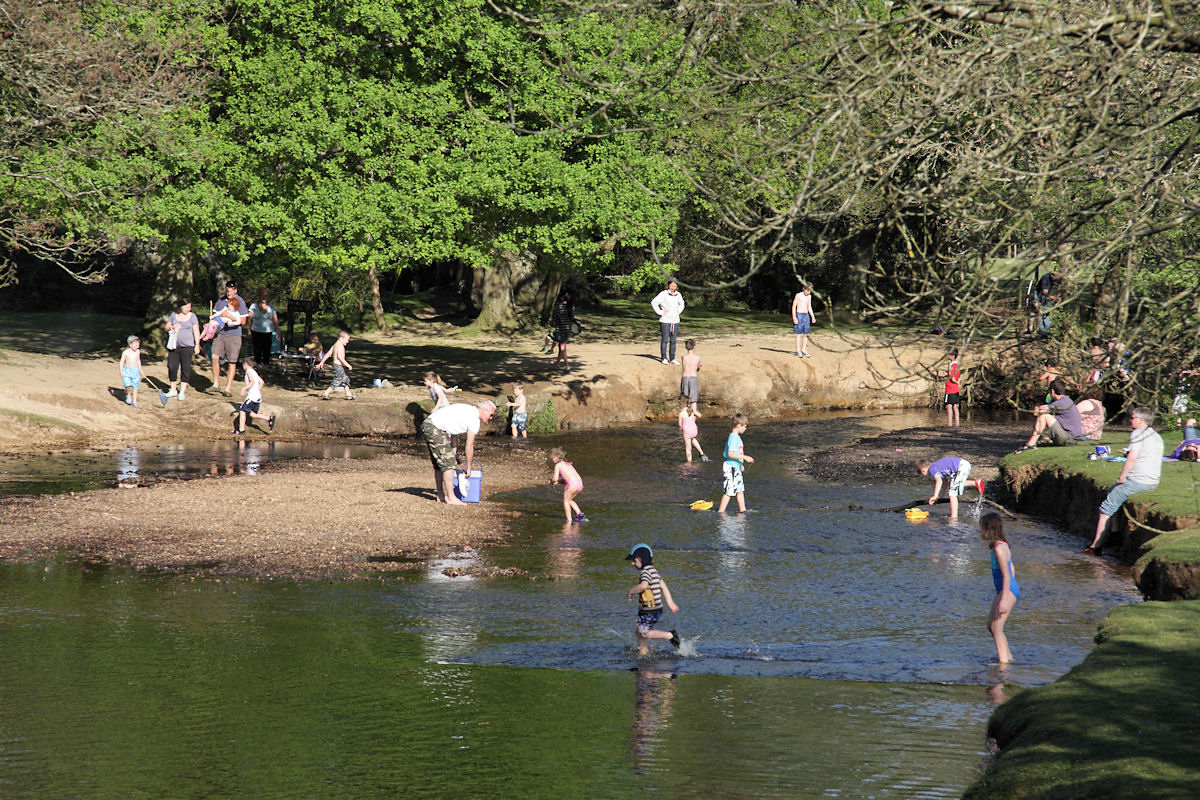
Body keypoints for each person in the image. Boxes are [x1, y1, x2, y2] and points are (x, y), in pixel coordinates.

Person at [1084, 407, 1163, 555]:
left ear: (1140, 420)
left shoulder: (1138, 434)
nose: (1130, 420)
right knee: (1111, 491)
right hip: (1153, 481)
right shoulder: (1155, 435)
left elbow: (1132, 456)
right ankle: (1115, 534)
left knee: (1105, 509)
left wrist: (1122, 477)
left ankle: (1095, 547)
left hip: (1138, 481)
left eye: (1132, 418)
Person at [421, 400, 496, 504]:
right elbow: (469, 445)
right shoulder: (474, 419)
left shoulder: (467, 409)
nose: (491, 418)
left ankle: (441, 495)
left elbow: (454, 433)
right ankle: (451, 497)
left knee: (439, 464)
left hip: (428, 425)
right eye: (491, 415)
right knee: (449, 464)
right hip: (435, 428)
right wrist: (468, 467)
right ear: (484, 410)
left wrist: (454, 453)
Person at [624, 543, 681, 656]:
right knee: (638, 630)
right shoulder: (653, 571)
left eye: (634, 561)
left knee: (645, 633)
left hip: (650, 610)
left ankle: (670, 635)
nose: (632, 563)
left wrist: (631, 591)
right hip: (652, 609)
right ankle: (643, 651)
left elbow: (644, 586)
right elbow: (663, 586)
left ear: (642, 559)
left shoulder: (645, 572)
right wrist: (670, 602)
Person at [981, 512, 1020, 664]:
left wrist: (1004, 599)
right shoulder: (999, 546)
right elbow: (1013, 569)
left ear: (988, 529)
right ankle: (1008, 658)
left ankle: (1003, 665)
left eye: (982, 528)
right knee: (991, 626)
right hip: (1005, 589)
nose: (980, 531)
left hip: (1007, 589)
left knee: (997, 628)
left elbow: (1007, 575)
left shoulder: (999, 549)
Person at [1017, 378, 1083, 450]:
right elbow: (1038, 413)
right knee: (1047, 416)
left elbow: (1040, 411)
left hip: (1070, 439)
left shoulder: (1062, 403)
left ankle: (1031, 444)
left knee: (1045, 416)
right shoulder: (1065, 400)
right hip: (1070, 438)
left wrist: (1037, 407)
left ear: (1052, 391)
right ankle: (1036, 440)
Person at [210, 281, 248, 397]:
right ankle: (216, 384)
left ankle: (228, 389)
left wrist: (229, 316)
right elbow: (216, 316)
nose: (229, 293)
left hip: (234, 335)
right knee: (214, 357)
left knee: (232, 361)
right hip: (220, 333)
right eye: (227, 291)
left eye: (231, 291)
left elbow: (243, 321)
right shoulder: (221, 301)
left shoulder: (240, 302)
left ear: (235, 290)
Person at [164, 299, 201, 401]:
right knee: (172, 366)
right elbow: (166, 327)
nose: (188, 309)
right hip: (174, 346)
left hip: (187, 346)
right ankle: (173, 389)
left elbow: (196, 330)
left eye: (189, 307)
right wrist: (172, 326)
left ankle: (182, 391)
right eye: (186, 307)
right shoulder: (173, 315)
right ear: (181, 307)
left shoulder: (192, 316)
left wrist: (197, 344)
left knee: (185, 368)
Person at [717, 413, 754, 513]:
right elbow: (730, 454)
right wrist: (745, 457)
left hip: (736, 466)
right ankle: (721, 512)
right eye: (744, 426)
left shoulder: (736, 437)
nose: (745, 428)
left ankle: (743, 510)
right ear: (738, 425)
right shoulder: (733, 438)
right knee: (729, 491)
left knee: (740, 490)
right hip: (731, 467)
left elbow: (737, 453)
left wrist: (740, 465)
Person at [916, 456, 973, 520]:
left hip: (961, 466)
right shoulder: (937, 467)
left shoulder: (932, 469)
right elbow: (944, 484)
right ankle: (976, 484)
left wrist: (935, 496)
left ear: (923, 471)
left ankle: (954, 517)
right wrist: (940, 498)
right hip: (964, 464)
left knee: (952, 492)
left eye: (924, 475)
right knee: (953, 484)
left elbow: (939, 481)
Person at [235, 356, 275, 435]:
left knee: (242, 411)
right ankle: (269, 418)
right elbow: (262, 382)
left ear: (245, 364)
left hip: (252, 397)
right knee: (251, 413)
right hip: (258, 397)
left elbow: (252, 381)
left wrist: (244, 388)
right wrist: (257, 390)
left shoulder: (248, 372)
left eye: (243, 365)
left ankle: (241, 430)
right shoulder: (254, 372)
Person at [651, 279, 685, 365]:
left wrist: (678, 311)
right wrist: (660, 312)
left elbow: (682, 304)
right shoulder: (663, 294)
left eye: (675, 286)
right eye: (672, 285)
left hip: (675, 320)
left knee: (673, 340)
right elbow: (654, 302)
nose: (673, 287)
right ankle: (664, 358)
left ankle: (672, 357)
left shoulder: (678, 295)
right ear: (668, 285)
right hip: (665, 320)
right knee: (665, 340)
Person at [550, 446, 585, 523]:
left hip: (572, 485)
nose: (551, 458)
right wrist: (558, 482)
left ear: (558, 456)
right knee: (570, 500)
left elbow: (555, 479)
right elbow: (565, 479)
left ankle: (569, 520)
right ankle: (579, 513)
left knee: (565, 502)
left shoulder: (558, 465)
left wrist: (552, 482)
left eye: (553, 456)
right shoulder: (568, 464)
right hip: (579, 483)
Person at [317, 330, 355, 400]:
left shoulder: (335, 345)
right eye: (347, 340)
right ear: (341, 338)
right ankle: (326, 393)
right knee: (338, 380)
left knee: (345, 379)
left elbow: (328, 354)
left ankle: (348, 394)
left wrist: (322, 362)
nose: (348, 341)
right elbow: (340, 357)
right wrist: (347, 364)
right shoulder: (340, 346)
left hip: (336, 365)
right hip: (338, 366)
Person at [248, 290, 280, 368]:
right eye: (262, 295)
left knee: (267, 348)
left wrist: (277, 330)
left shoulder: (271, 307)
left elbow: (275, 319)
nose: (264, 297)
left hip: (268, 331)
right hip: (256, 330)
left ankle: (266, 363)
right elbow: (249, 319)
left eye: (265, 295)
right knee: (257, 348)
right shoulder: (254, 306)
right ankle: (257, 363)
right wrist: (248, 331)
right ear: (259, 296)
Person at [548, 292, 576, 372]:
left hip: (560, 329)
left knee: (562, 347)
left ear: (562, 298)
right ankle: (557, 363)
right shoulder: (571, 307)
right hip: (568, 329)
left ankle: (567, 365)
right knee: (561, 345)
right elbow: (572, 318)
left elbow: (554, 319)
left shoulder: (558, 307)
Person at [678, 395, 709, 463]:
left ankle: (689, 463)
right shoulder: (692, 410)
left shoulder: (681, 413)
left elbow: (680, 425)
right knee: (693, 439)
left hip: (687, 431)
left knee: (688, 448)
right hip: (694, 430)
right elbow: (700, 415)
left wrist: (681, 428)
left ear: (681, 403)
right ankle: (701, 453)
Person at [119, 335, 143, 407]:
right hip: (127, 370)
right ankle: (128, 395)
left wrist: (140, 369)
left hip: (135, 370)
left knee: (135, 386)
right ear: (130, 344)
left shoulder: (138, 351)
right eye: (136, 345)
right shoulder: (125, 352)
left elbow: (138, 360)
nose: (137, 346)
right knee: (127, 384)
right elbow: (122, 362)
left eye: (138, 345)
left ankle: (135, 401)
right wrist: (121, 371)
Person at [679, 338, 702, 414]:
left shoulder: (683, 357)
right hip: (693, 378)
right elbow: (697, 369)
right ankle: (694, 411)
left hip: (685, 378)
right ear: (694, 347)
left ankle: (684, 411)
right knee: (693, 397)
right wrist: (699, 366)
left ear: (686, 347)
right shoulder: (698, 358)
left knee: (684, 397)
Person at [791, 283, 813, 357]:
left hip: (806, 315)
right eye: (807, 290)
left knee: (807, 333)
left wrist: (812, 317)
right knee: (799, 333)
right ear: (803, 289)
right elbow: (794, 306)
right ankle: (798, 350)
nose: (808, 292)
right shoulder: (798, 295)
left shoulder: (809, 297)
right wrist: (794, 317)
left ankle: (803, 349)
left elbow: (809, 307)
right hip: (799, 315)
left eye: (809, 291)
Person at [944, 348, 962, 427]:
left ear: (953, 356)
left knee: (949, 406)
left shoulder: (952, 366)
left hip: (950, 389)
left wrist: (955, 381)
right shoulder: (958, 365)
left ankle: (950, 424)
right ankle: (957, 423)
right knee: (955, 406)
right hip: (956, 388)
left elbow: (952, 378)